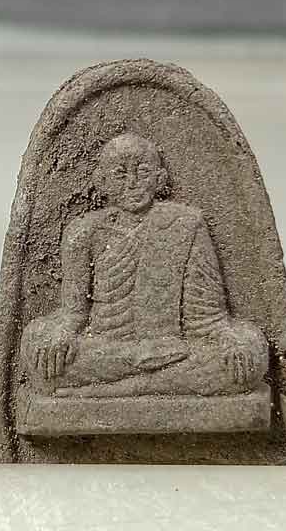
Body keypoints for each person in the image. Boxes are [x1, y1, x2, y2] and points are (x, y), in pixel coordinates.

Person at [21, 133, 268, 396]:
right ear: (101, 181)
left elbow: (208, 316)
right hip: (108, 349)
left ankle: (111, 390)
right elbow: (73, 313)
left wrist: (229, 339)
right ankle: (149, 380)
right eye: (120, 174)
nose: (132, 183)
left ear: (160, 179)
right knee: (39, 354)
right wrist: (62, 335)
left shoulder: (186, 224)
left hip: (172, 347)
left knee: (248, 358)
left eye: (143, 172)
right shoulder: (83, 232)